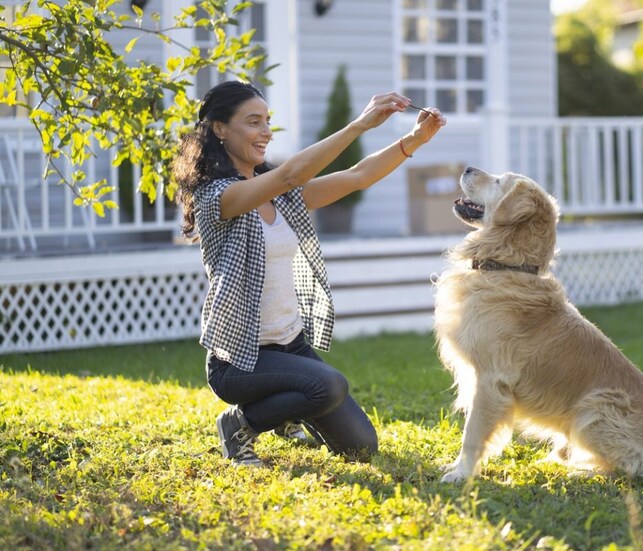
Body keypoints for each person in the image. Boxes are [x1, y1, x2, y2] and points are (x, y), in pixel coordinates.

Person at [172, 80, 446, 466]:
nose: (265, 131)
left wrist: (415, 139)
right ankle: (240, 424)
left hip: (291, 345)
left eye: (267, 121)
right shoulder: (217, 197)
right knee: (329, 385)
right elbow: (289, 175)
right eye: (253, 122)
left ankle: (285, 414)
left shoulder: (280, 197)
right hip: (240, 361)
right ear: (220, 129)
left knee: (360, 448)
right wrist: (359, 125)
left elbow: (357, 176)